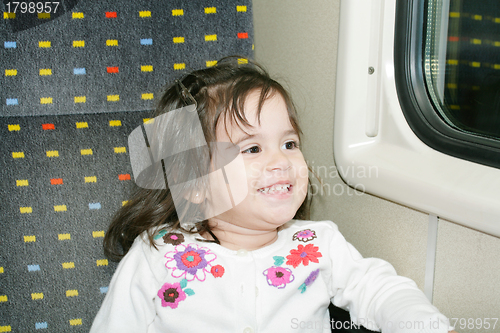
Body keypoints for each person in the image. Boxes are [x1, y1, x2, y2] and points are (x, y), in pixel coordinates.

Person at [90, 58, 457, 333]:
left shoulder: (316, 243)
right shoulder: (158, 254)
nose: (281, 160)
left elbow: (381, 290)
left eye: (289, 143)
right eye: (251, 149)